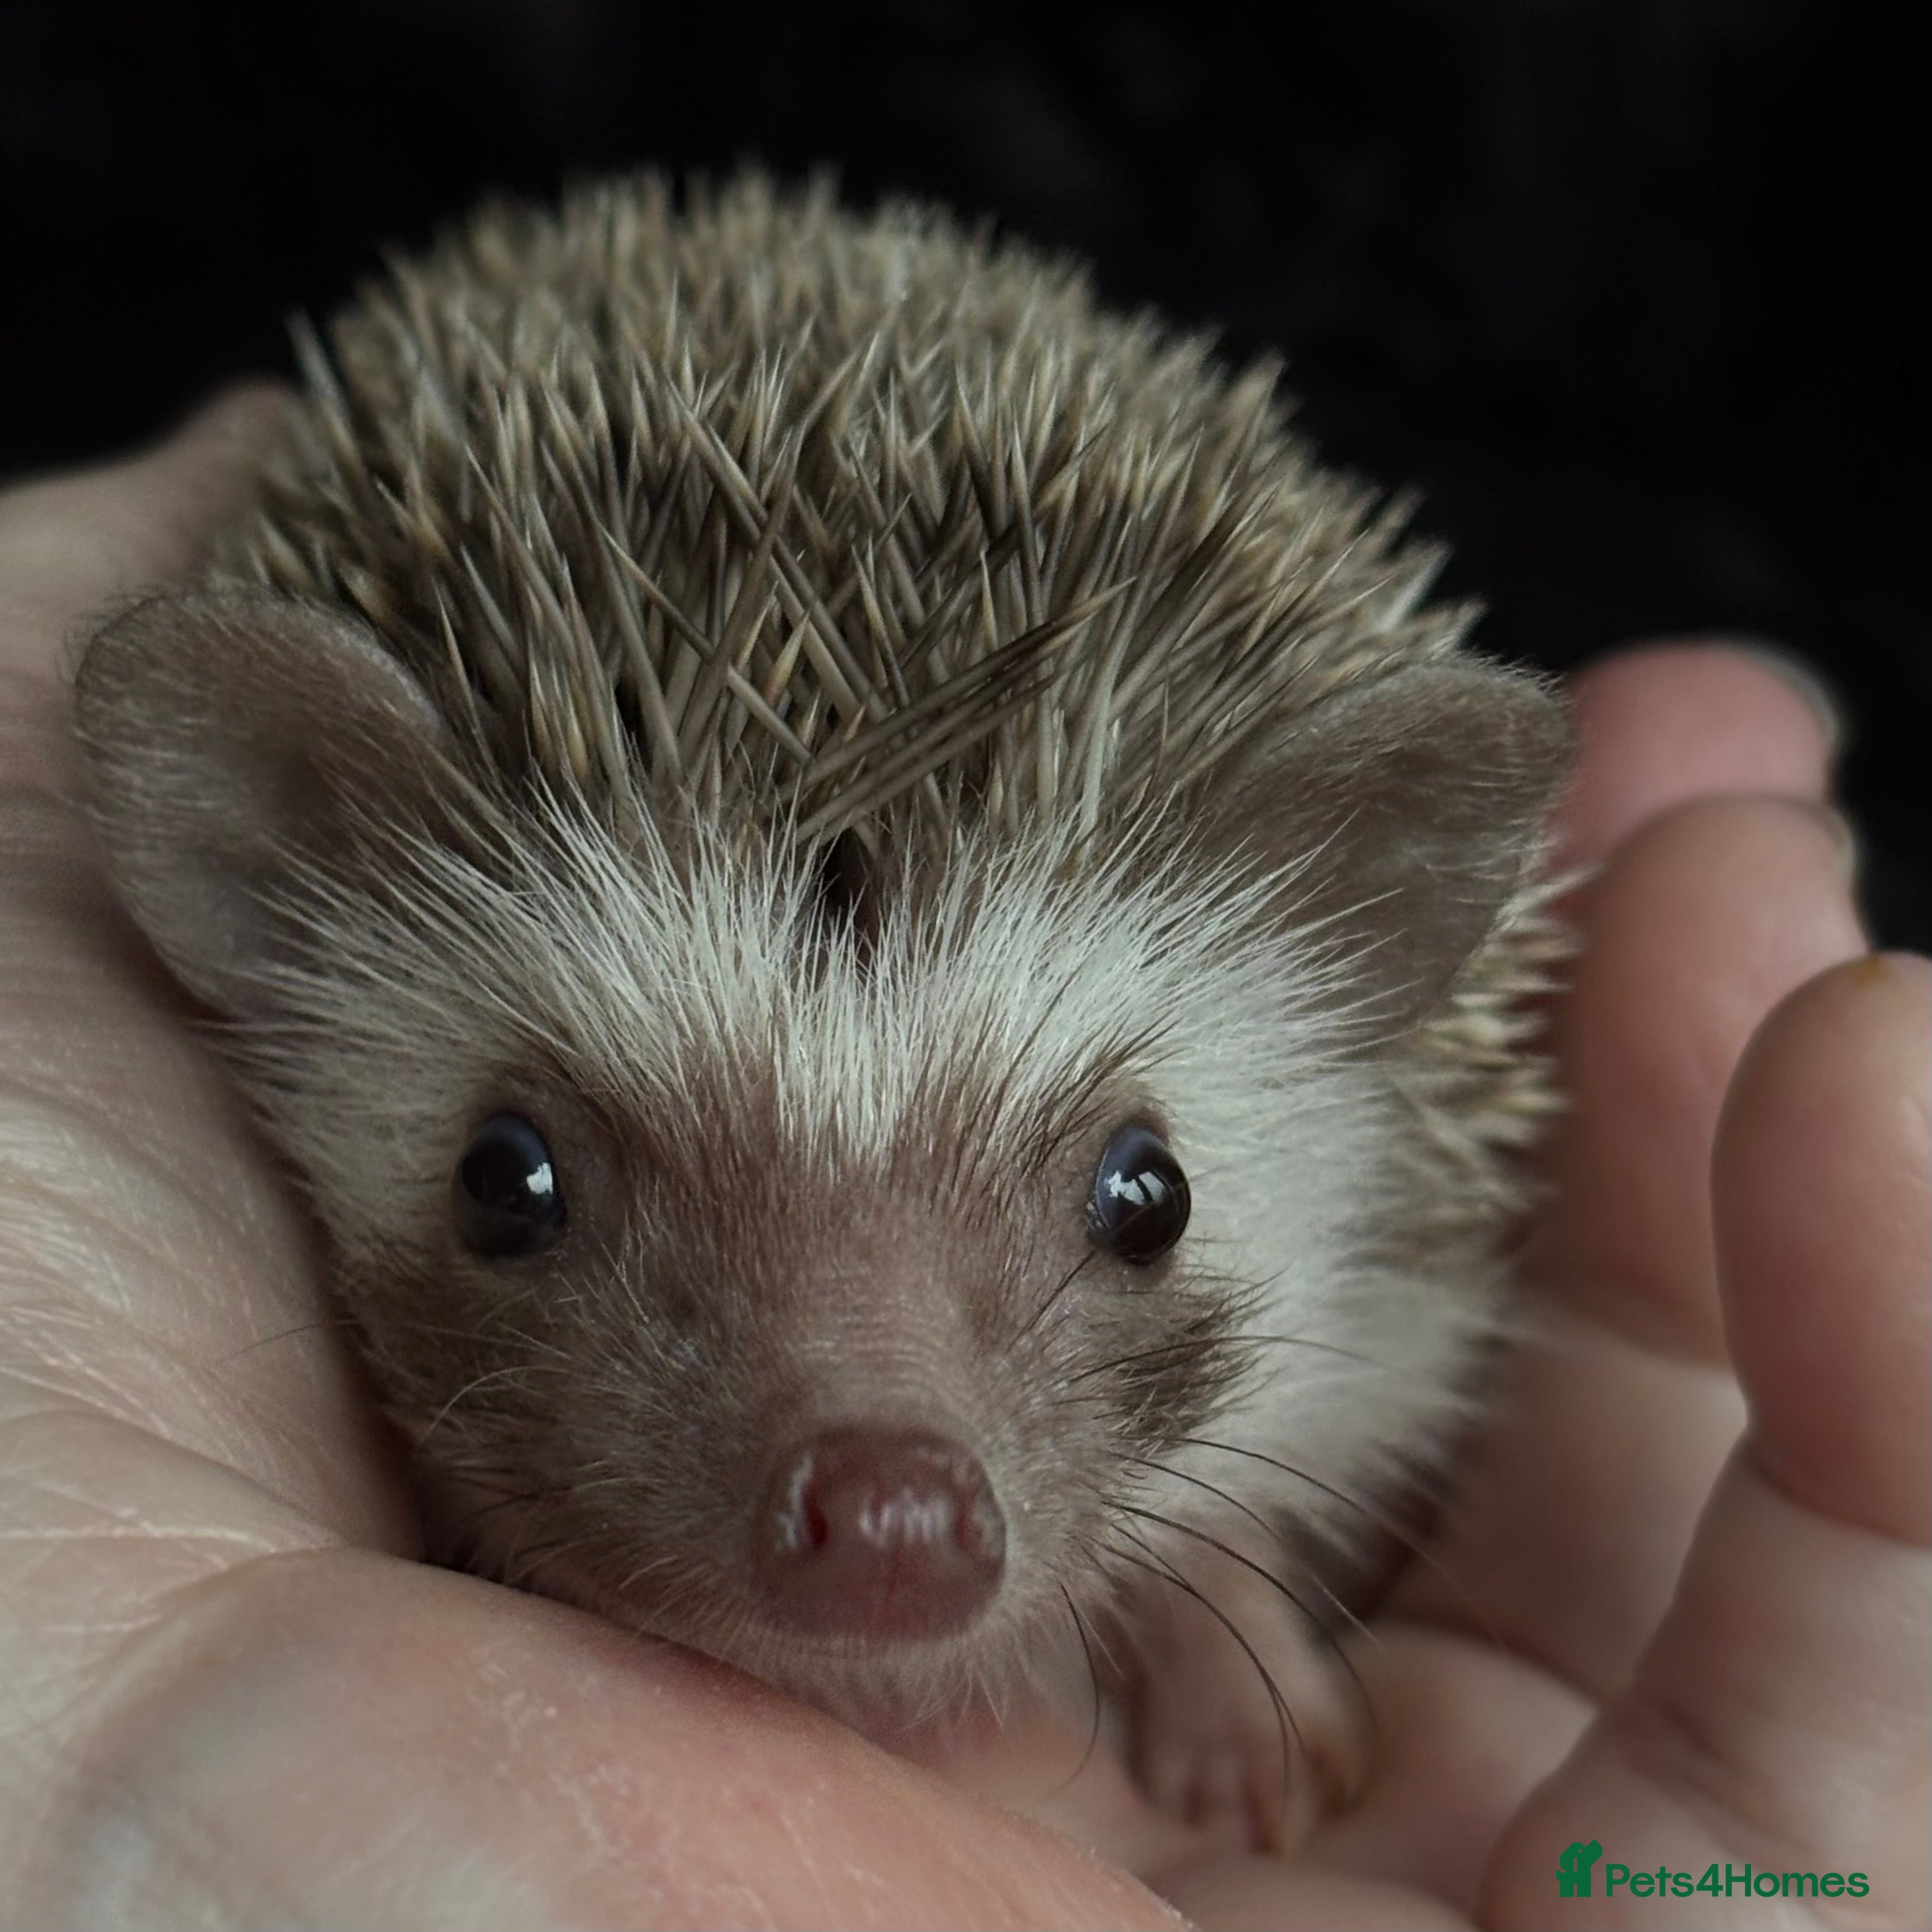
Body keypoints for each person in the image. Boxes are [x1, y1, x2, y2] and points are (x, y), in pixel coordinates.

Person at [1, 391, 1923, 1930]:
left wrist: (1211, 1567)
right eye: (529, 1190)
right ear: (258, 883)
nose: (880, 1476)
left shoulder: (1372, 1299)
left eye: (1127, 1208)